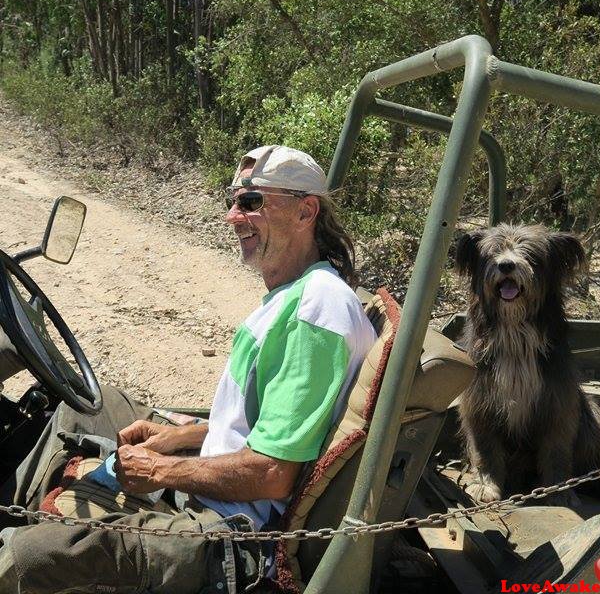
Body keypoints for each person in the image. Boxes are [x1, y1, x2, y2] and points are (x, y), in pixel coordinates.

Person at [0, 145, 377, 593]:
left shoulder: (317, 311)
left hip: (233, 532)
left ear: (305, 211)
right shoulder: (299, 293)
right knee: (81, 408)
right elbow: (272, 426)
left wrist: (159, 471)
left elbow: (273, 473)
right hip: (228, 493)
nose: (233, 217)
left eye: (252, 202)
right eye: (232, 201)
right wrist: (183, 437)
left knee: (31, 557)